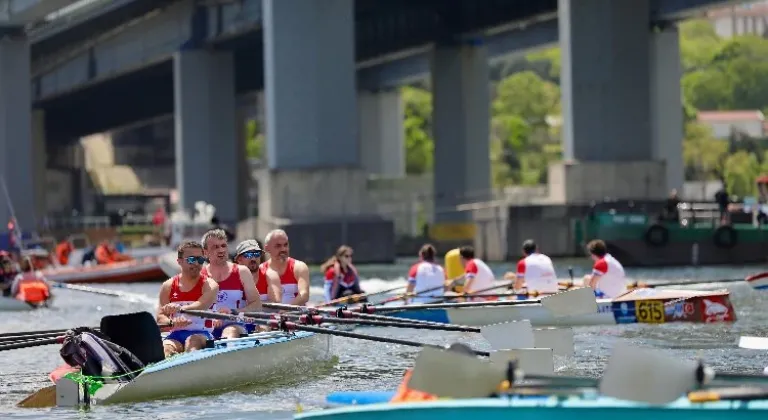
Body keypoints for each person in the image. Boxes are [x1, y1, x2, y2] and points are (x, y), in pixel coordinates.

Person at [157, 240, 219, 357]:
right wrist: (172, 322)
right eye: (191, 260)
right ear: (179, 261)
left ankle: (190, 364)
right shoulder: (168, 286)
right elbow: (160, 317)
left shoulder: (210, 285)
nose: (196, 263)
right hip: (176, 335)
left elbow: (201, 305)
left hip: (202, 335)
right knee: (166, 348)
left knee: (192, 341)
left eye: (200, 260)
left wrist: (179, 309)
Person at [200, 229, 263, 339]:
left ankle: (226, 349)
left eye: (223, 246)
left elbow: (256, 305)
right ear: (205, 252)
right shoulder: (200, 275)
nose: (221, 250)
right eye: (216, 247)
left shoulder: (242, 272)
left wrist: (233, 312)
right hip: (208, 329)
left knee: (230, 331)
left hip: (237, 326)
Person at [260, 229, 310, 306]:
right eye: (278, 246)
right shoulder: (260, 271)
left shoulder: (299, 267)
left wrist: (286, 311)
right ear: (267, 249)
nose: (283, 249)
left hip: (295, 315)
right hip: (270, 316)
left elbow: (304, 295)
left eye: (285, 245)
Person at [235, 239, 281, 303]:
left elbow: (275, 304)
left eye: (256, 254)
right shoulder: (231, 277)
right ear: (239, 259)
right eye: (249, 255)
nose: (253, 259)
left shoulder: (270, 275)